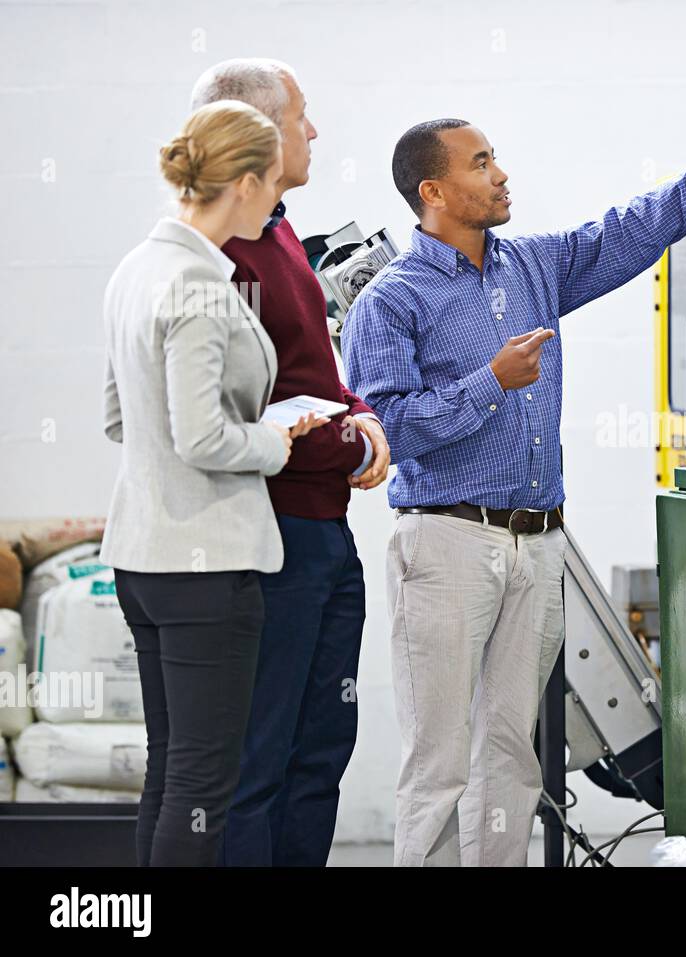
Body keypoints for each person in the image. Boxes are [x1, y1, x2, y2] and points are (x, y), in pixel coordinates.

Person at [343, 75, 686, 866]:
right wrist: (490, 381)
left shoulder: (534, 267)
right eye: (482, 162)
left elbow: (633, 229)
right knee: (439, 761)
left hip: (538, 543)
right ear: (434, 190)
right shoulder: (390, 302)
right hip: (446, 546)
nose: (501, 173)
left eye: (496, 158)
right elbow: (388, 431)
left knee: (511, 755)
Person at [101, 100, 326, 866]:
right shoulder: (200, 285)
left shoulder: (137, 268)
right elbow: (200, 436)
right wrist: (273, 439)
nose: (277, 202)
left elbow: (119, 418)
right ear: (246, 181)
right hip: (204, 563)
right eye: (273, 185)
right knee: (204, 787)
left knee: (170, 775)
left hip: (142, 555)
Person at [187, 58, 391, 867]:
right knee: (260, 764)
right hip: (271, 542)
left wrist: (364, 415)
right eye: (303, 114)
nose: (315, 131)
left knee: (320, 751)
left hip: (324, 533)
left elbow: (314, 378)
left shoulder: (279, 238)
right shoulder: (219, 256)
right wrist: (353, 441)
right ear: (259, 130)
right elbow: (238, 417)